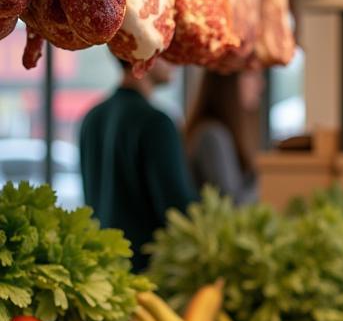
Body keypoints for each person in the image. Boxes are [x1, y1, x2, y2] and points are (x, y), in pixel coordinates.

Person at [79, 54, 196, 271]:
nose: (176, 60)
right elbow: (179, 212)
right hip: (147, 275)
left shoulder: (92, 117)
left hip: (101, 269)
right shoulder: (156, 123)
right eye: (166, 50)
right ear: (143, 53)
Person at [184, 68, 262, 205]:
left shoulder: (217, 131)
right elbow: (233, 204)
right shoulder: (213, 135)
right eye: (251, 75)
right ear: (228, 84)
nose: (260, 84)